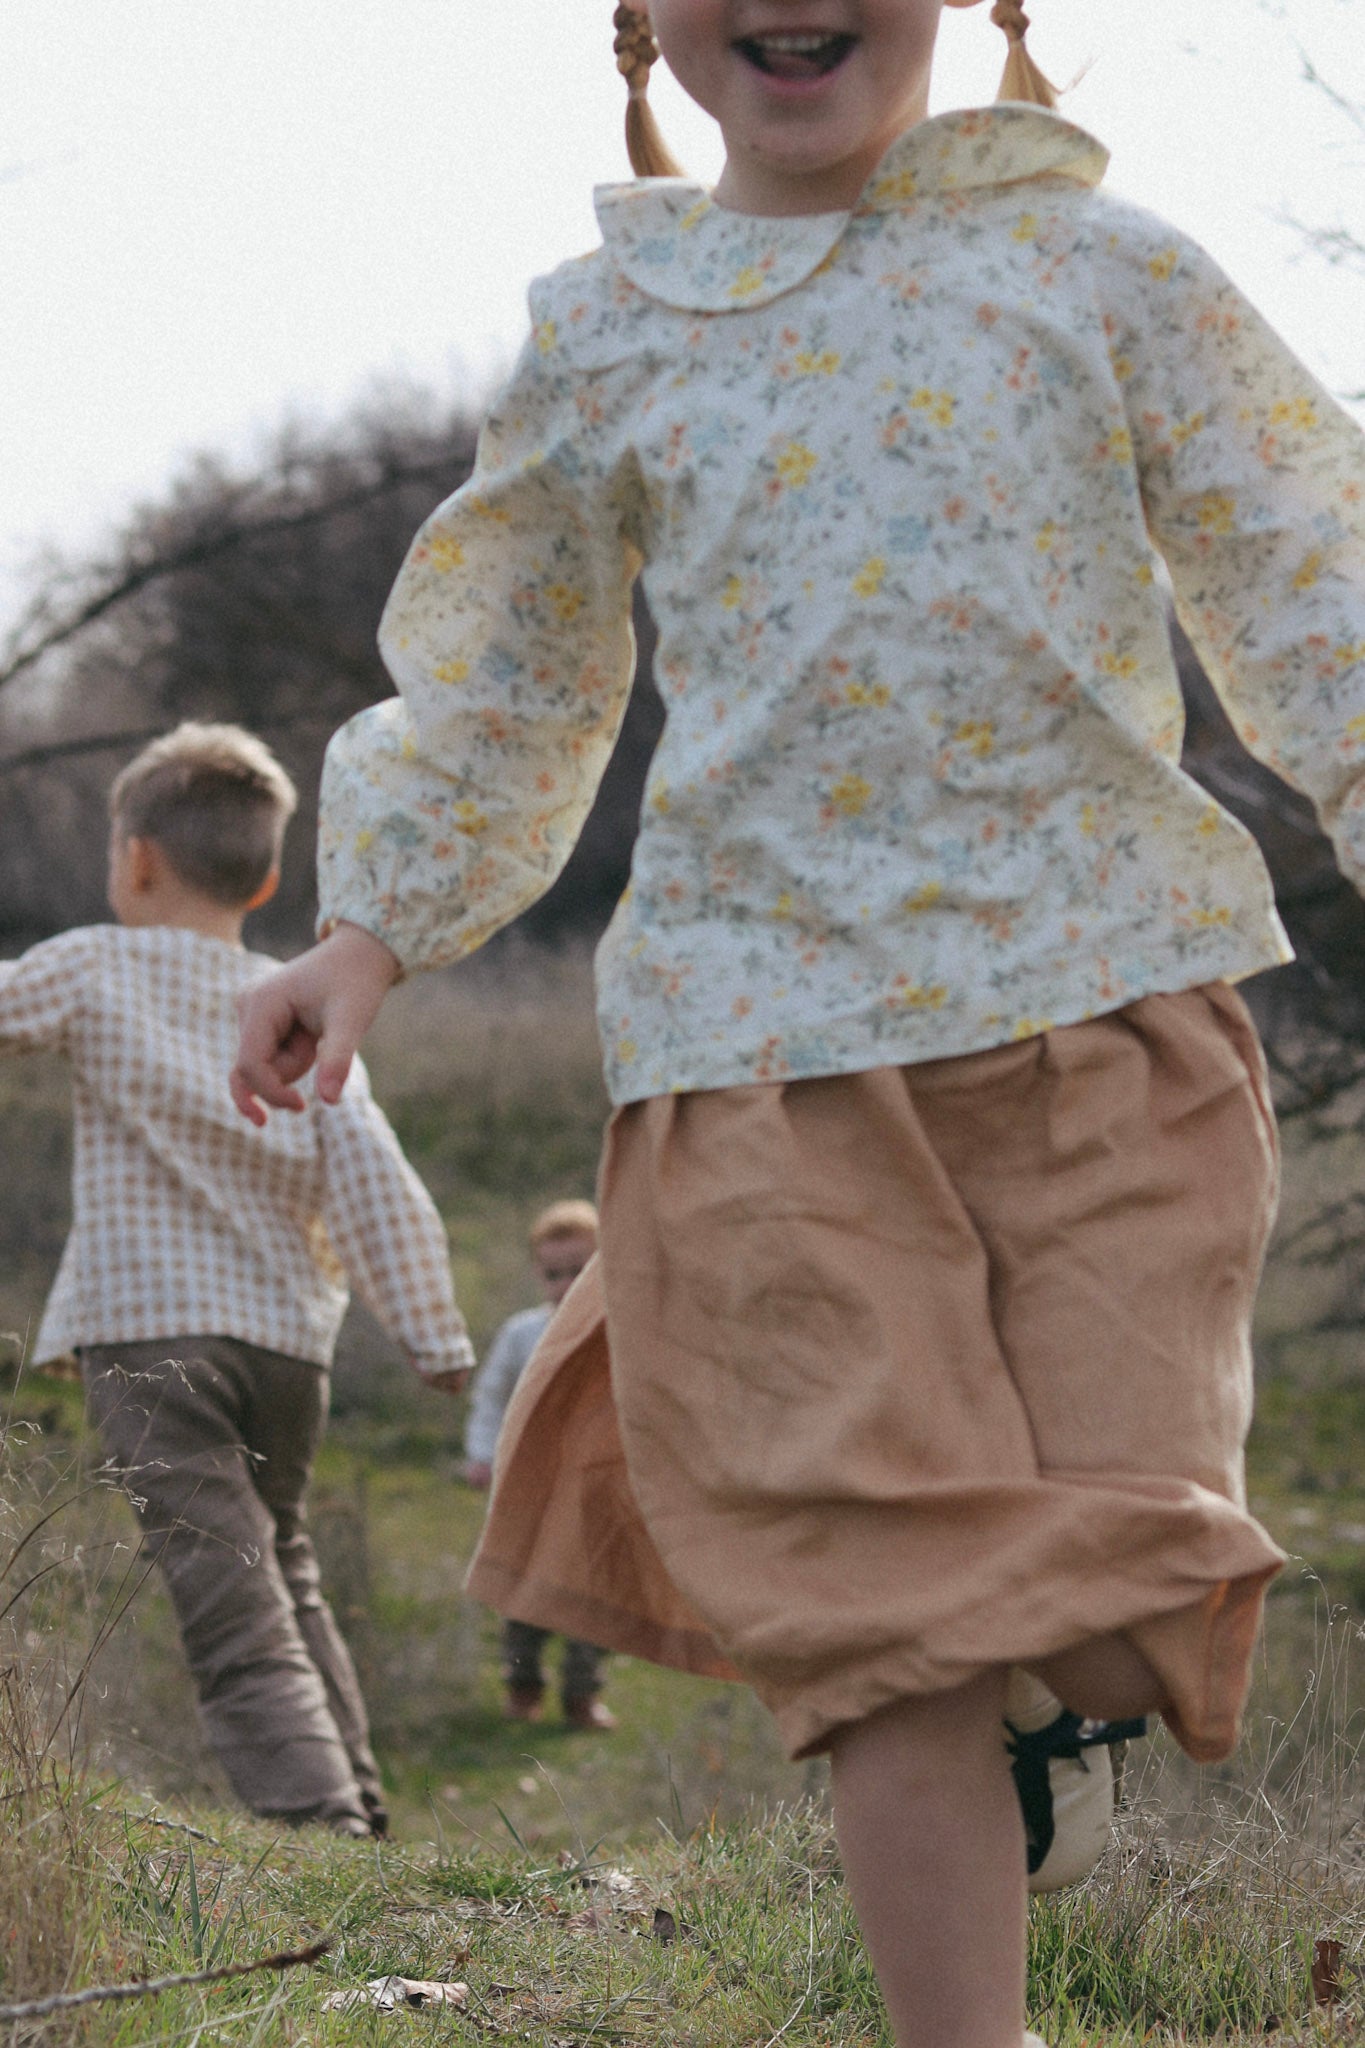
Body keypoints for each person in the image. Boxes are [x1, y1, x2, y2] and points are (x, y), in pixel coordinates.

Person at [230, 0, 1365, 2035]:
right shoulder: (613, 327)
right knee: (881, 1623)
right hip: (755, 1053)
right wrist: (367, 933)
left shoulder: (1102, 272)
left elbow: (1311, 562)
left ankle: (1037, 1710)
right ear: (641, 21)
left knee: (1124, 1609)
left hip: (1101, 1011)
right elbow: (509, 670)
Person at [0, 722, 474, 1838]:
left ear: (134, 858)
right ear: (267, 876)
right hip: (283, 1346)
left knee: (228, 1593)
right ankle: (354, 1799)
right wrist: (432, 1329)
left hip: (149, 1337)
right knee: (286, 1563)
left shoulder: (88, 963)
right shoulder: (299, 995)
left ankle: (317, 1822)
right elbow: (370, 1167)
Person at [464, 1200, 616, 1729]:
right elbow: (490, 1397)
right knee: (524, 1595)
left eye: (580, 1270)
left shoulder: (620, 1332)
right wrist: (482, 1455)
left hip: (598, 1492)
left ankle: (583, 1696)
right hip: (530, 1491)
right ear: (537, 1274)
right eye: (554, 1273)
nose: (566, 1283)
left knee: (594, 1599)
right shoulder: (522, 1335)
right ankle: (523, 1687)